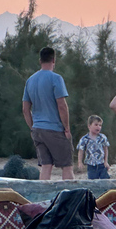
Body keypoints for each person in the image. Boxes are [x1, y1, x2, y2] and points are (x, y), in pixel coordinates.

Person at [22, 47, 74, 180]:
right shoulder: (56, 78)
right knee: (67, 166)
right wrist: (67, 128)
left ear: (40, 60)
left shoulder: (30, 80)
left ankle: (43, 198)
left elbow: (25, 109)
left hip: (38, 129)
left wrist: (32, 127)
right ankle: (70, 198)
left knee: (46, 166)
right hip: (54, 128)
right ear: (53, 60)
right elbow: (62, 105)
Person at [77, 115, 110, 179]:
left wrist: (106, 161)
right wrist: (80, 162)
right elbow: (81, 151)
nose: (98, 127)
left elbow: (105, 149)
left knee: (105, 180)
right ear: (89, 126)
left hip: (101, 164)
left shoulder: (102, 137)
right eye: (96, 125)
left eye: (100, 125)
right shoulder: (84, 139)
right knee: (92, 180)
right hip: (91, 165)